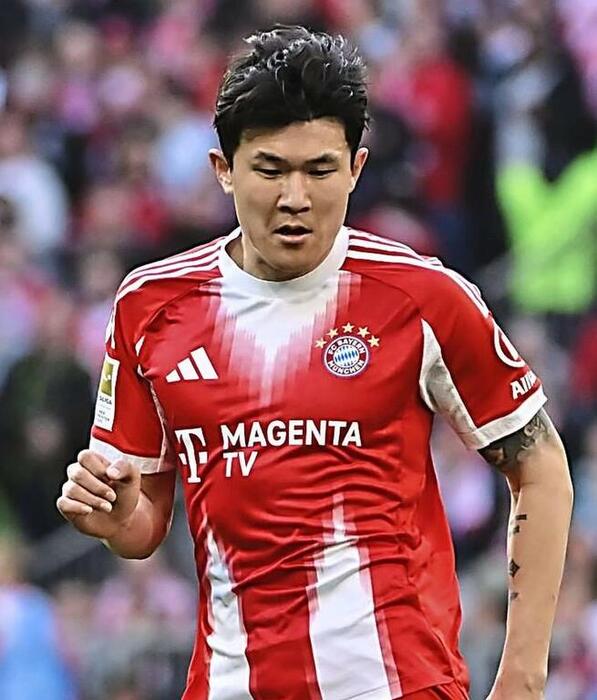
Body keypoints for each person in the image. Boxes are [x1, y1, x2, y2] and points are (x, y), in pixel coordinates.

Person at [57, 25, 573, 700]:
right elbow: (140, 524)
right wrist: (112, 516)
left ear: (356, 168)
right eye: (270, 170)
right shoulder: (150, 306)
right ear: (223, 168)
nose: (295, 197)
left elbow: (541, 468)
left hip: (398, 686)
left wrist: (522, 681)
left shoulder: (422, 296)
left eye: (320, 170)